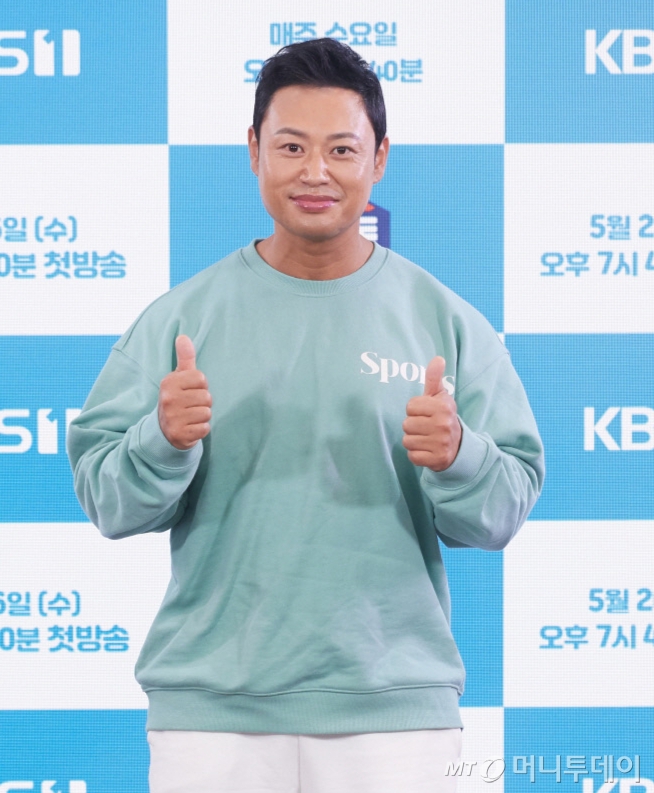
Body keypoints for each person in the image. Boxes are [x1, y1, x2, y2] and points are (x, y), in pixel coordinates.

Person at [67, 37, 544, 793]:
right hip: (211, 716)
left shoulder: (445, 322)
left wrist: (460, 455)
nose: (315, 171)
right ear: (253, 150)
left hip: (396, 717)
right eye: (291, 146)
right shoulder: (180, 319)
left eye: (341, 149)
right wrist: (162, 439)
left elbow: (504, 511)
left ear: (379, 158)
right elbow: (107, 501)